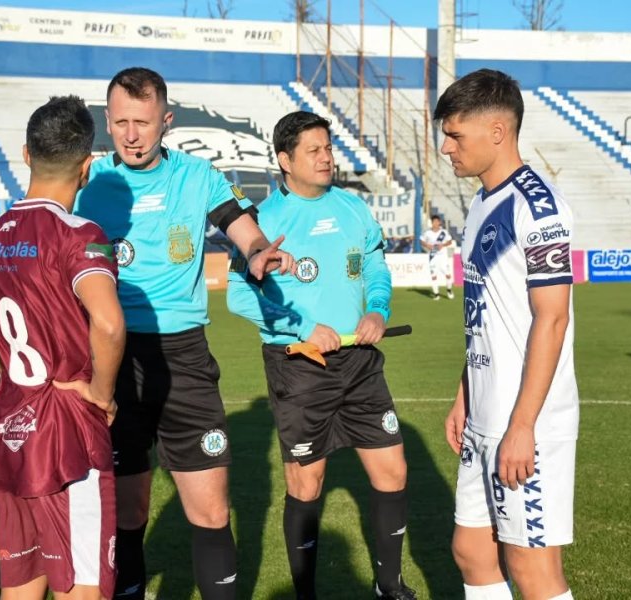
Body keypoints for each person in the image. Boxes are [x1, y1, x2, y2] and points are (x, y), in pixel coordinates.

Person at [74, 67, 294, 600]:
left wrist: (260, 251)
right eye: (121, 121)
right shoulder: (89, 182)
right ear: (108, 120)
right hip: (113, 356)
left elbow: (242, 228)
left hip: (185, 357)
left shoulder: (199, 176)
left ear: (166, 121)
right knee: (129, 510)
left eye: (143, 123)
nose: (131, 134)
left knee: (212, 509)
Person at [0, 95, 125, 600]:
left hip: (11, 426)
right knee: (84, 586)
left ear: (26, 154)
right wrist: (102, 393)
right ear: (86, 166)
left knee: (22, 582)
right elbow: (107, 321)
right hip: (68, 431)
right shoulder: (82, 235)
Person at [227, 110, 417, 600]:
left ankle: (389, 584)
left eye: (328, 148)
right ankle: (306, 593)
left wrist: (376, 309)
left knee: (393, 470)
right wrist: (306, 328)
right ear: (284, 160)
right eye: (314, 150)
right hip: (300, 367)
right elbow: (240, 296)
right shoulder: (262, 222)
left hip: (361, 364)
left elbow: (375, 266)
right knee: (307, 484)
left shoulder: (353, 209)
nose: (326, 157)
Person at [437, 69, 578, 600]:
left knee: (532, 567)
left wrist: (524, 427)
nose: (445, 147)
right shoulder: (480, 202)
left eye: (455, 135)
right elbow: (484, 314)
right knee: (472, 551)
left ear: (497, 131)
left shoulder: (539, 208)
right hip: (485, 411)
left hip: (526, 420)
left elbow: (553, 318)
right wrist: (463, 396)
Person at [419, 214, 456, 300]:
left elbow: (450, 241)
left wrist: (443, 245)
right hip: (433, 256)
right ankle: (436, 294)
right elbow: (421, 240)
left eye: (437, 221)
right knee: (434, 275)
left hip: (442, 257)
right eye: (434, 222)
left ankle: (449, 290)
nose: (435, 223)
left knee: (448, 275)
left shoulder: (444, 232)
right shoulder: (427, 233)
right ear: (431, 223)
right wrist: (427, 245)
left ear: (439, 222)